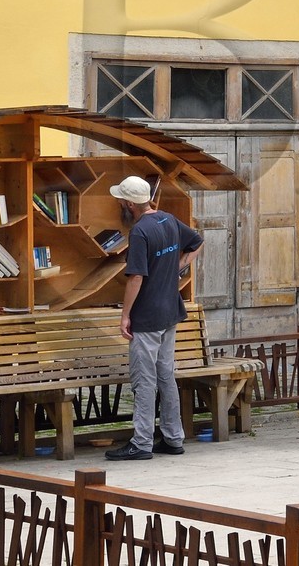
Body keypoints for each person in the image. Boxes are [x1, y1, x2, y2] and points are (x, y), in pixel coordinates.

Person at [104, 174, 202, 461]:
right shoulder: (168, 220)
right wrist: (178, 267)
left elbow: (136, 277)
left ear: (128, 203)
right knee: (165, 376)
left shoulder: (139, 231)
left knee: (144, 380)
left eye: (120, 200)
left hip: (147, 316)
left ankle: (142, 442)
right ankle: (173, 438)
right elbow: (197, 242)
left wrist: (124, 316)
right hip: (169, 311)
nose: (119, 203)